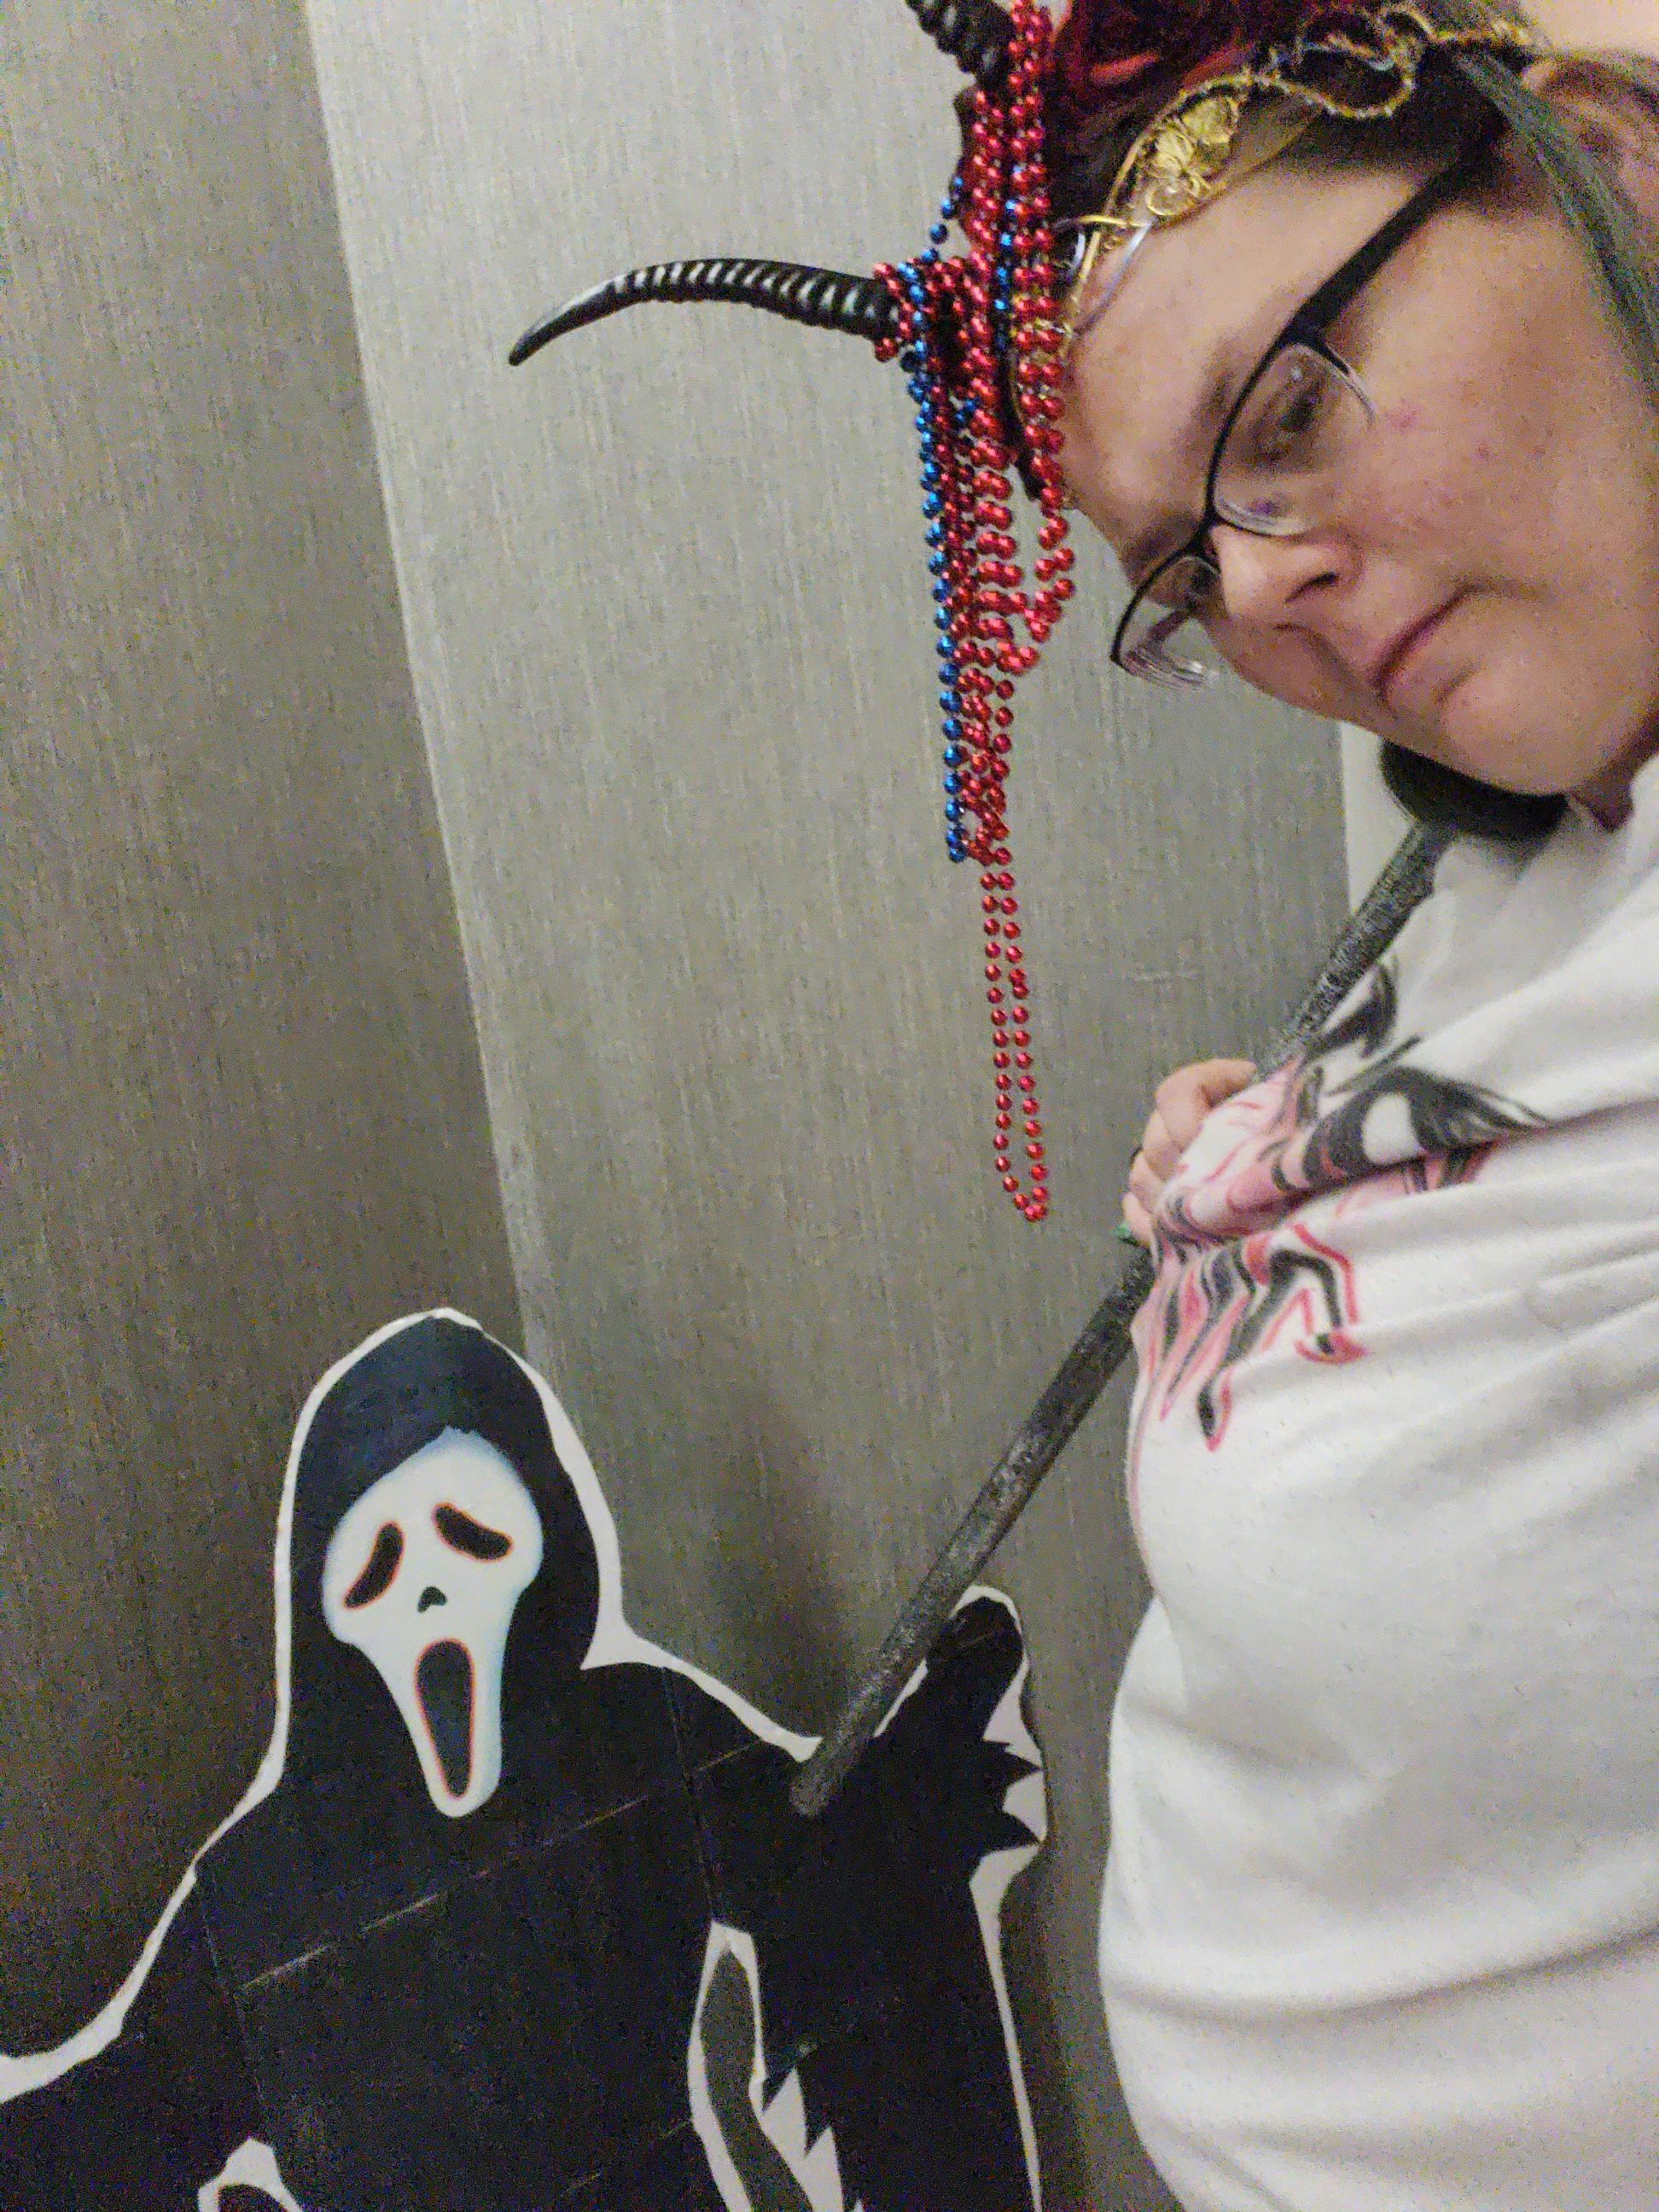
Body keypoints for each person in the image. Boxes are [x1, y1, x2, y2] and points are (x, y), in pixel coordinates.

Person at [515, 4, 1659, 2202]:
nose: (1263, 590)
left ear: (1599, 151)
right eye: (1182, 572)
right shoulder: (1527, 831)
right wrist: (1282, 1165)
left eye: (1287, 412)